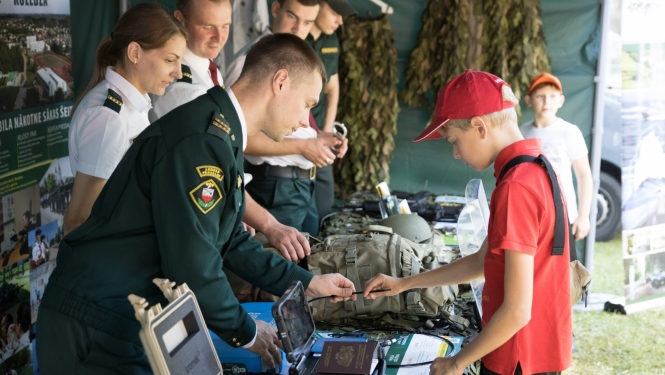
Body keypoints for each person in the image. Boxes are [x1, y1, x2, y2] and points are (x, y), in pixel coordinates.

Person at [36, 34, 355, 375]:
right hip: (95, 320)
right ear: (280, 82)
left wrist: (305, 282)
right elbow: (194, 264)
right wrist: (244, 332)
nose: (306, 122)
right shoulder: (202, 139)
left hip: (120, 317)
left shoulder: (221, 133)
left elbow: (229, 240)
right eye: (307, 104)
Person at [364, 70, 572, 375]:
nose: (456, 154)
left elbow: (516, 311)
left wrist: (456, 362)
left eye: (454, 141)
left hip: (516, 357)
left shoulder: (516, 187)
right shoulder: (533, 168)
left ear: (479, 126)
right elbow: (482, 261)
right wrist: (403, 284)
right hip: (537, 350)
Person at [150, 0, 310, 261]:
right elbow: (207, 173)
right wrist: (267, 224)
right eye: (207, 26)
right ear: (180, 19)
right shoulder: (182, 88)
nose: (219, 37)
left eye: (225, 26)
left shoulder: (208, 70)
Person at [62, 3, 188, 235]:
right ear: (135, 53)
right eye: (170, 60)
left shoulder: (132, 106)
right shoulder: (109, 117)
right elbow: (79, 220)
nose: (179, 73)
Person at [226, 0, 348, 235]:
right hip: (275, 185)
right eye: (292, 17)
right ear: (275, 9)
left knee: (306, 262)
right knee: (280, 263)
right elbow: (237, 135)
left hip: (304, 184)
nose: (298, 28)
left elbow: (298, 119)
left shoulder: (297, 59)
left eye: (308, 22)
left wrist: (319, 136)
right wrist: (303, 145)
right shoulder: (250, 61)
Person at [521, 72, 593, 241]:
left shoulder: (569, 131)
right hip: (529, 216)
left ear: (561, 101)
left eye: (553, 96)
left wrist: (583, 216)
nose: (547, 102)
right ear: (529, 100)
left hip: (562, 216)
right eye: (540, 96)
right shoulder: (521, 133)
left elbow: (584, 175)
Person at [306, 0, 355, 220]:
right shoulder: (294, 37)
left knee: (324, 210)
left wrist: (326, 130)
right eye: (335, 12)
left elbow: (333, 87)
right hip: (293, 141)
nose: (340, 20)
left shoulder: (331, 40)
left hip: (319, 137)